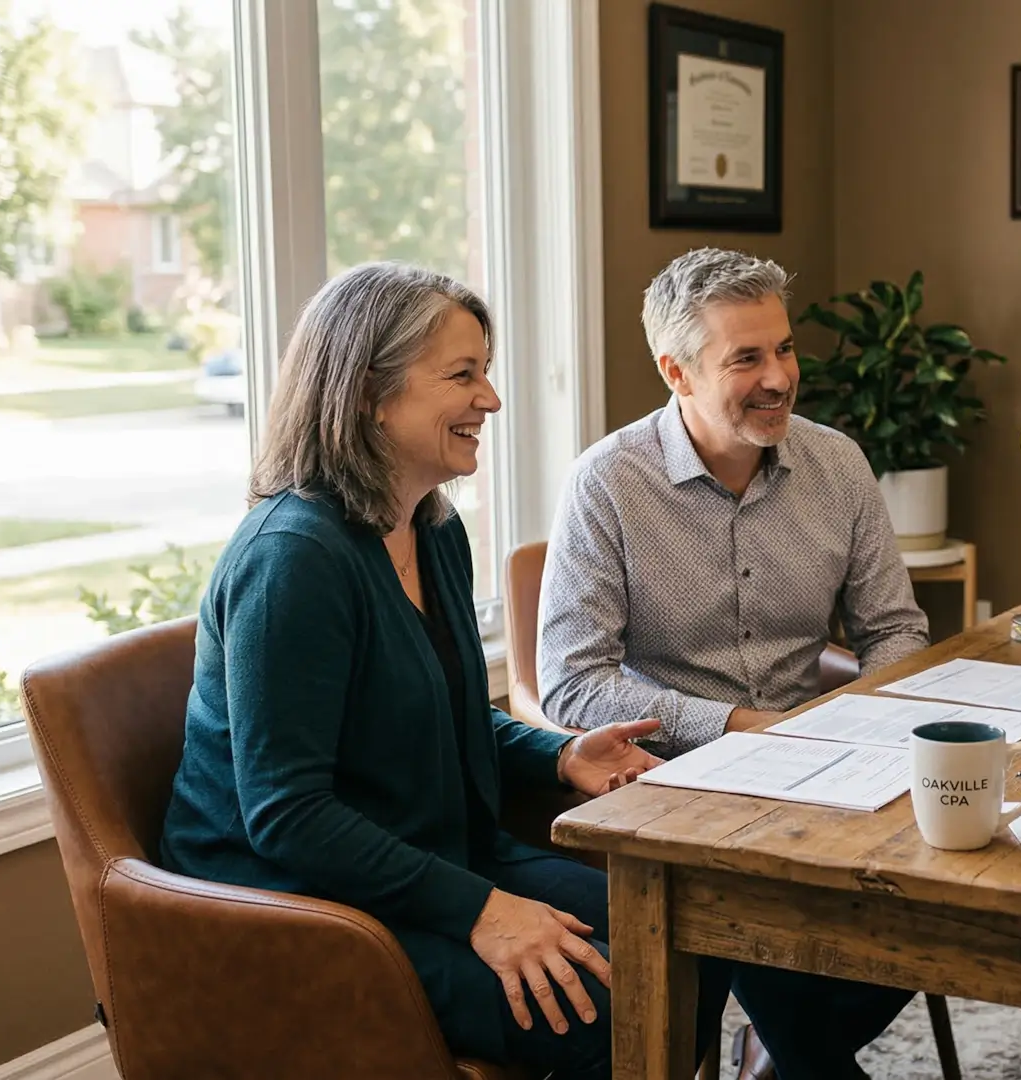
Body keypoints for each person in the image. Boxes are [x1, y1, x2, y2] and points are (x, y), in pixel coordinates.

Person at [159, 262, 731, 1079]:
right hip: (306, 909)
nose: (490, 400)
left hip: (434, 861)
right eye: (462, 375)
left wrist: (559, 755)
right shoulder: (292, 560)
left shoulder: (431, 529)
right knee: (613, 1003)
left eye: (486, 372)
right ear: (367, 392)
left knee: (694, 942)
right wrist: (483, 912)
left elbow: (440, 715)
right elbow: (287, 815)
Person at [537, 247, 929, 1077]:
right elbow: (572, 682)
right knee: (774, 963)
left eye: (783, 348)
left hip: (830, 768)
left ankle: (784, 1049)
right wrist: (745, 730)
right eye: (745, 358)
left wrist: (869, 725)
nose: (779, 377)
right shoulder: (607, 484)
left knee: (945, 902)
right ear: (675, 371)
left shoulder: (838, 465)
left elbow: (894, 630)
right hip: (673, 784)